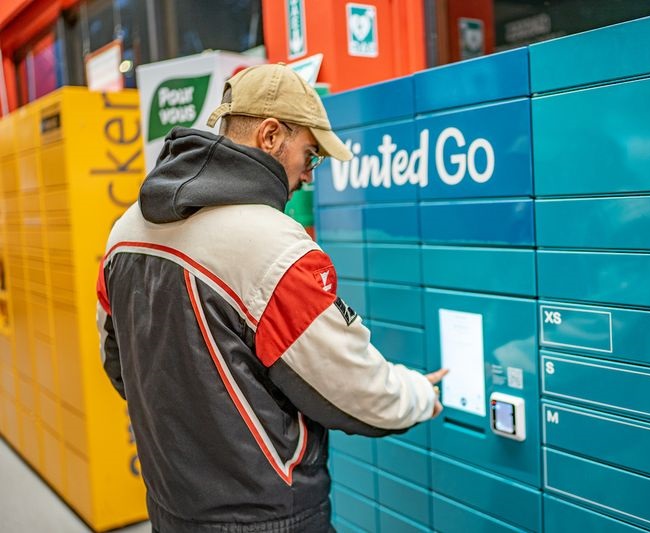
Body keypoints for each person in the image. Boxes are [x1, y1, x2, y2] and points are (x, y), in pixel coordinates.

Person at [96, 64, 447, 533]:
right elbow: (356, 392)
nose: (308, 174)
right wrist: (419, 394)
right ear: (270, 135)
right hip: (266, 515)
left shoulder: (125, 231)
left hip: (169, 504)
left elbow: (117, 362)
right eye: (310, 153)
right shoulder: (276, 250)